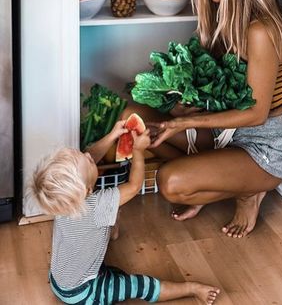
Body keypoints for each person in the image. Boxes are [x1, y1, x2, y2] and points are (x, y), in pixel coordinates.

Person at [142, 0, 282, 239]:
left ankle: (247, 191)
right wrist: (180, 108)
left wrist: (184, 125)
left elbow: (256, 114)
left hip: (262, 149)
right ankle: (212, 177)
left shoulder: (260, 30)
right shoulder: (219, 15)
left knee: (170, 182)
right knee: (135, 119)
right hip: (227, 135)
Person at [26, 121, 220, 305]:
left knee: (105, 220)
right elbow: (135, 186)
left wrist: (112, 136)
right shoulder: (97, 205)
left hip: (60, 281)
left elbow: (90, 157)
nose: (88, 155)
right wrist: (137, 150)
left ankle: (110, 232)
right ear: (86, 190)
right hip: (86, 293)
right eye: (88, 162)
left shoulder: (64, 203)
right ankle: (191, 288)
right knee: (140, 285)